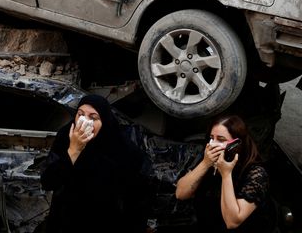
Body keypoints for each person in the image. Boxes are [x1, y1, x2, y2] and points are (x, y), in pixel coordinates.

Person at [40, 94, 151, 233]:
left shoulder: (122, 149)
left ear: (104, 121)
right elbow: (48, 182)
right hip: (66, 221)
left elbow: (137, 201)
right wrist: (73, 150)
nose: (84, 121)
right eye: (80, 114)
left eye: (93, 118)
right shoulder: (65, 136)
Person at [175, 115, 278, 232]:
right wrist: (205, 164)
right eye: (211, 138)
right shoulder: (208, 159)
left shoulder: (256, 174)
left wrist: (226, 174)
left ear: (237, 144)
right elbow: (180, 193)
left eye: (221, 139)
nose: (213, 144)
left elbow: (232, 221)